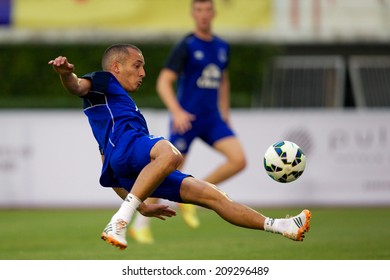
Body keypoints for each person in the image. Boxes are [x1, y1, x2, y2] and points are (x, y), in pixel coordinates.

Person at [48, 43, 312, 250]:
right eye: (137, 65)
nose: (143, 73)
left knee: (212, 196)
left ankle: (282, 226)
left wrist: (141, 206)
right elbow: (77, 86)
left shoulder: (113, 108)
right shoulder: (104, 80)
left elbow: (110, 166)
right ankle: (119, 221)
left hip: (128, 166)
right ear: (116, 67)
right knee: (170, 153)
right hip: (132, 149)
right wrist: (67, 74)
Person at [129, 0, 247, 245]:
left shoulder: (222, 46)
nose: (204, 15)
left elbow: (223, 80)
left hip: (212, 119)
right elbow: (163, 81)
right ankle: (139, 225)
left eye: (207, 10)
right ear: (194, 14)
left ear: (213, 13)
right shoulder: (186, 45)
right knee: (164, 172)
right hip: (187, 119)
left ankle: (193, 196)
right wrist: (177, 111)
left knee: (238, 160)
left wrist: (225, 113)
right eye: (199, 10)